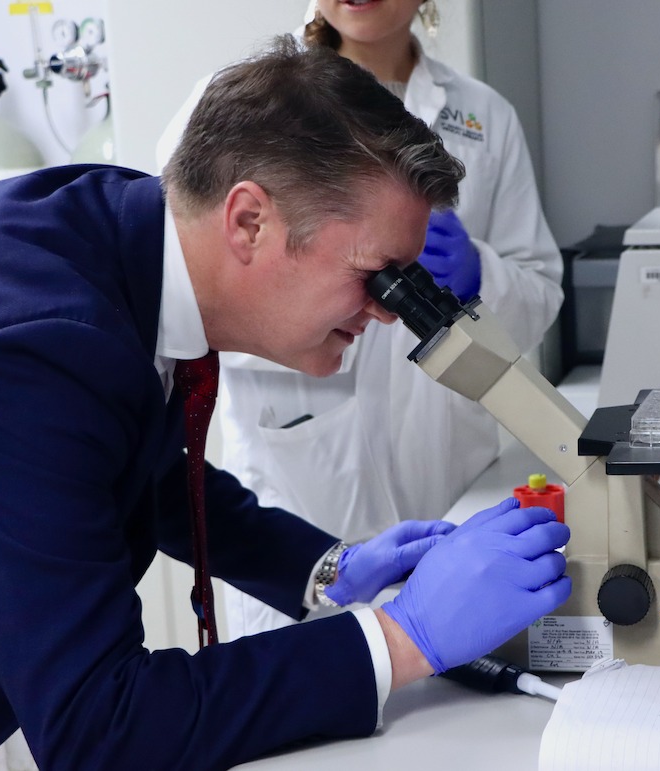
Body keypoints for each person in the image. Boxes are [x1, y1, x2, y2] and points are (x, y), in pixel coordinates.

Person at [0, 38, 570, 771]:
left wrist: (327, 568)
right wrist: (402, 637)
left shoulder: (126, 236)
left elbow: (124, 466)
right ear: (249, 221)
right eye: (378, 276)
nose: (384, 314)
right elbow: (103, 726)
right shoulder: (30, 353)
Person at [208, 0, 565, 638]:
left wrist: (480, 272)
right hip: (302, 476)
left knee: (453, 681)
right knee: (309, 679)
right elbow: (204, 284)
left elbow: (540, 290)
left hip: (445, 455)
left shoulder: (483, 115)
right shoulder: (245, 103)